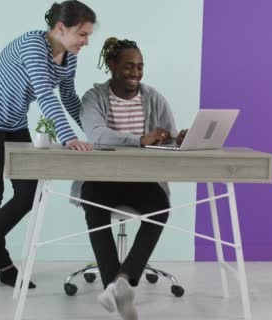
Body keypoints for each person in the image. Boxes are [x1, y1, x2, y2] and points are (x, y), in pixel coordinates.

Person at [0, 0, 96, 292]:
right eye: (82, 34)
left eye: (88, 35)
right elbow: (46, 96)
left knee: (27, 193)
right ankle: (3, 266)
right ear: (60, 28)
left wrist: (93, 132)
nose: (86, 41)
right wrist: (68, 137)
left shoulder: (69, 57)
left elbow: (69, 98)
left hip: (12, 123)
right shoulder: (33, 45)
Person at [75, 37, 187, 320]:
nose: (135, 73)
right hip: (101, 178)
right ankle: (116, 285)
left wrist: (178, 140)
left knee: (160, 208)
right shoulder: (94, 97)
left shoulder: (154, 98)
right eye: (128, 66)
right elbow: (96, 134)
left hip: (142, 179)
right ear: (112, 65)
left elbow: (167, 139)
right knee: (94, 207)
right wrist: (140, 139)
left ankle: (121, 282)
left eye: (139, 67)